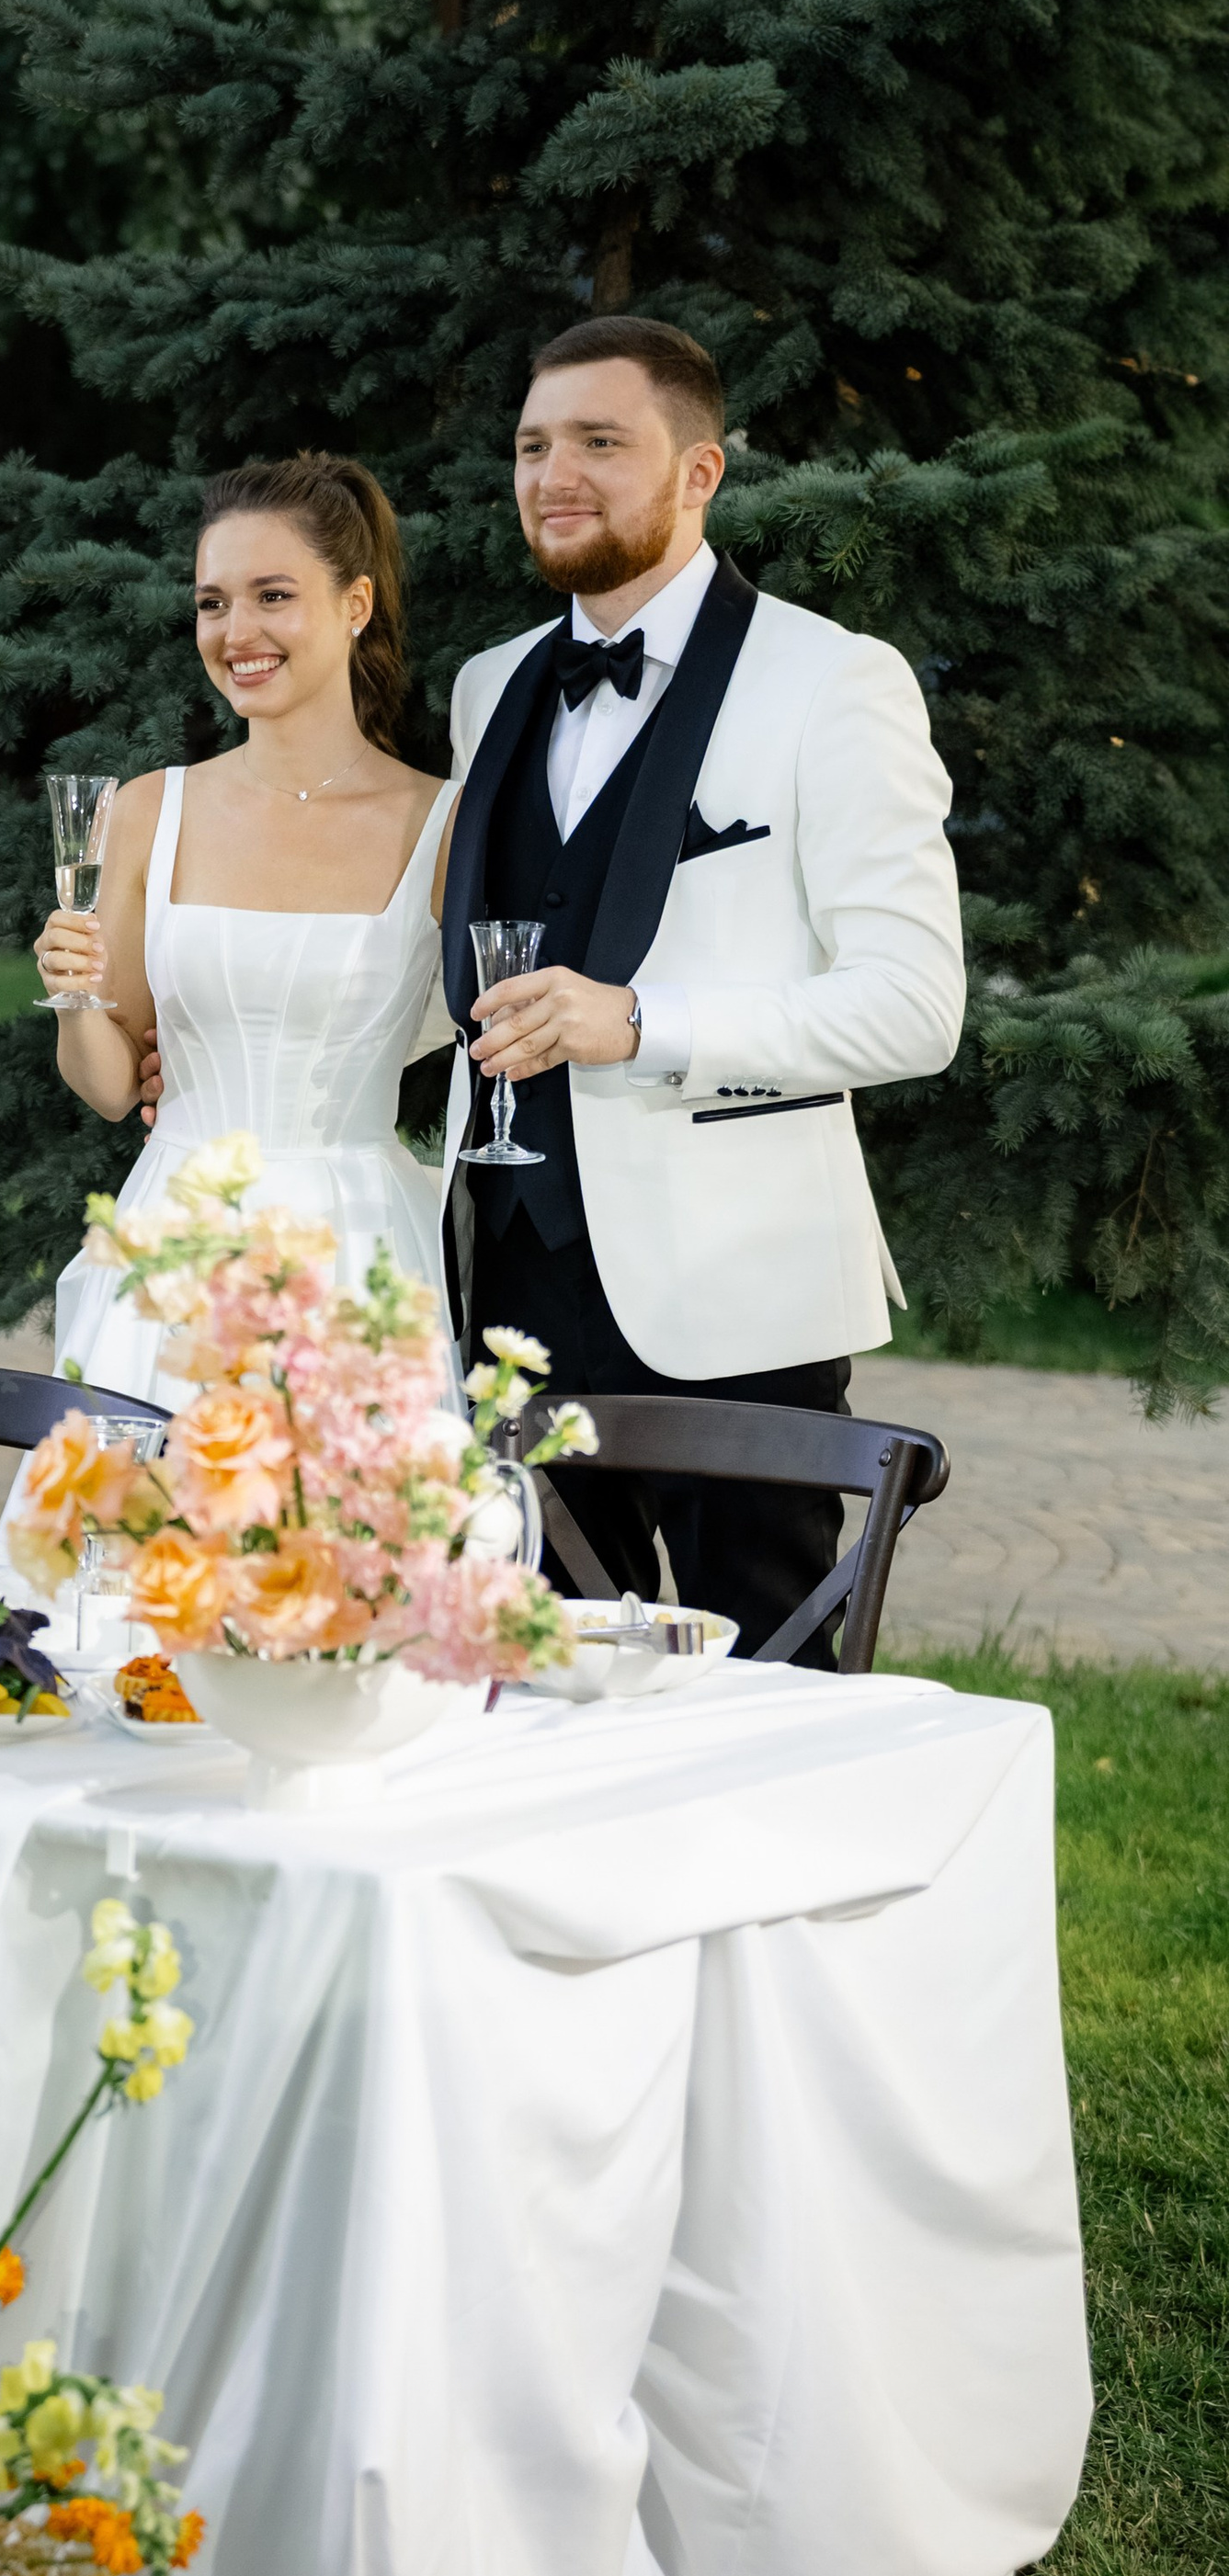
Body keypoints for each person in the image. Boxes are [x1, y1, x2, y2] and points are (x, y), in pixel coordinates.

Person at [441, 315, 965, 1660]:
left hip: (738, 1300)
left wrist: (642, 1023)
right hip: (510, 1297)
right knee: (548, 1708)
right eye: (533, 445)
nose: (556, 473)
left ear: (700, 472)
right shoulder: (489, 684)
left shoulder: (834, 683)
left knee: (774, 1704)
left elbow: (914, 1005)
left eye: (601, 443)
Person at [32, 452, 461, 1413]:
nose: (236, 632)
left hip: (358, 1243)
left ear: (355, 605)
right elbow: (110, 1087)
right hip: (174, 1242)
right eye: (212, 603)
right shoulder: (148, 811)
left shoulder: (443, 825)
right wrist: (72, 994)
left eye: (273, 595)